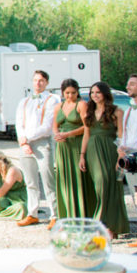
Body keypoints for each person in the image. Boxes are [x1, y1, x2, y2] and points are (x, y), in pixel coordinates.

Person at [79, 82, 127, 238]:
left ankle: (106, 225)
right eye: (92, 92)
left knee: (109, 186)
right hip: (92, 152)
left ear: (105, 93)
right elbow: (86, 135)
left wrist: (121, 155)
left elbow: (121, 134)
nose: (94, 95)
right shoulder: (89, 113)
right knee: (99, 188)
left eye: (98, 92)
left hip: (109, 150)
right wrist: (82, 156)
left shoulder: (116, 112)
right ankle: (104, 225)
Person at [14, 70, 60, 226]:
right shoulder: (24, 101)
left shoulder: (52, 100)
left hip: (42, 142)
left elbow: (47, 126)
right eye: (35, 80)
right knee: (30, 181)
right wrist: (23, 141)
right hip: (25, 144)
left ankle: (55, 215)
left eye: (41, 80)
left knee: (48, 180)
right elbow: (19, 122)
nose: (38, 83)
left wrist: (28, 138)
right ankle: (32, 213)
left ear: (46, 82)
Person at [49, 78, 90, 224]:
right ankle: (65, 216)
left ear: (77, 92)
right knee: (63, 180)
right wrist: (57, 134)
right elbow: (54, 125)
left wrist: (68, 134)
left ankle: (80, 216)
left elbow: (87, 127)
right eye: (67, 93)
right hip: (62, 147)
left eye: (73, 93)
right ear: (62, 92)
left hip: (76, 144)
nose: (70, 96)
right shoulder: (58, 106)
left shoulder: (81, 105)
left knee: (77, 179)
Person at [119, 74, 137, 248]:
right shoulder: (130, 109)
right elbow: (126, 133)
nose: (128, 86)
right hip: (131, 157)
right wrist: (122, 148)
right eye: (128, 83)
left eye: (132, 84)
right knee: (135, 195)